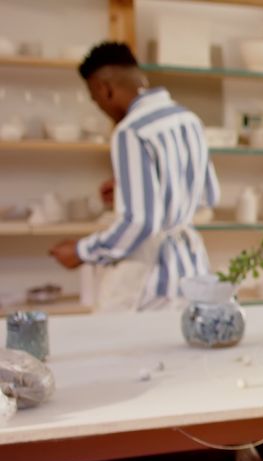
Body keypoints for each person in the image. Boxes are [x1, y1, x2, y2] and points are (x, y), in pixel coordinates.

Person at [49, 42, 220, 311]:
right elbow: (208, 195)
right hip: (190, 271)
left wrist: (83, 252)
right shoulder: (189, 119)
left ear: (105, 89)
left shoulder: (130, 131)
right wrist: (130, 189)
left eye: (96, 100)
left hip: (149, 283)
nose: (100, 108)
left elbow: (140, 222)